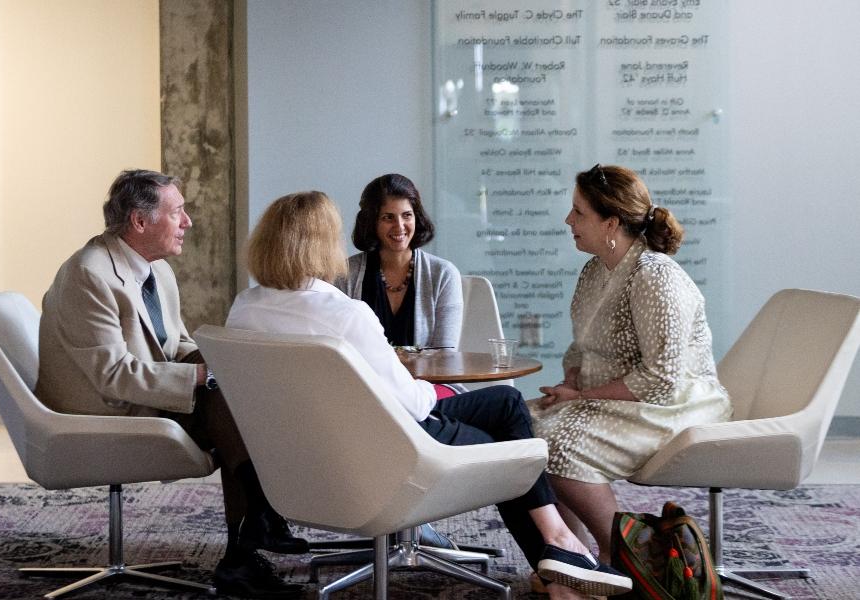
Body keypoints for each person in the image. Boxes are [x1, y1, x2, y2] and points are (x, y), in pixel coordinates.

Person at [226, 191, 633, 599]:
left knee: (506, 402)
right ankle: (559, 554)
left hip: (300, 462)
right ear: (322, 244)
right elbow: (415, 405)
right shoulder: (346, 315)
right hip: (388, 455)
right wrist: (422, 387)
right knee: (512, 447)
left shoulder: (244, 310)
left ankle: (557, 547)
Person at [36, 169, 306, 598]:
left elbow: (176, 345)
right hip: (101, 412)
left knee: (235, 387)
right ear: (140, 222)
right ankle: (254, 526)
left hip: (143, 395)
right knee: (224, 396)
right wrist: (206, 374)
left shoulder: (155, 270)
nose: (188, 222)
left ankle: (251, 534)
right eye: (177, 212)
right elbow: (112, 374)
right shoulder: (89, 275)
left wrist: (227, 363)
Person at [529, 164, 732, 566]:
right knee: (526, 430)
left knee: (557, 446)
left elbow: (662, 379)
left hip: (674, 404)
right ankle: (575, 558)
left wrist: (582, 394)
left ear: (611, 222)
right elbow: (582, 347)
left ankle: (622, 559)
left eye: (578, 212)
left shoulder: (655, 277)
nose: (568, 220)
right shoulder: (594, 269)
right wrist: (570, 383)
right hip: (613, 395)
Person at [337, 173, 462, 350]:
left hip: (427, 377)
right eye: (388, 217)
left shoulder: (444, 274)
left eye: (407, 215)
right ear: (372, 222)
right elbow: (339, 350)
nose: (400, 226)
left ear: (417, 218)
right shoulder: (345, 274)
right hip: (362, 378)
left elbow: (446, 354)